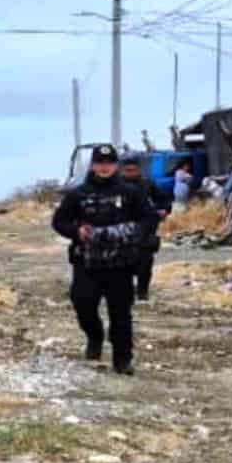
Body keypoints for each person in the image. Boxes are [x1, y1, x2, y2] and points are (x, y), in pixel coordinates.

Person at [52, 145, 157, 375]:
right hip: (87, 262)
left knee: (120, 313)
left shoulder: (131, 193)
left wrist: (133, 234)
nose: (104, 167)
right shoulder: (78, 194)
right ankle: (95, 336)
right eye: (100, 163)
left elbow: (149, 219)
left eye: (109, 163)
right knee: (83, 303)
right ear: (93, 165)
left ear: (115, 165)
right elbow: (59, 221)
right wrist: (76, 231)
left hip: (121, 263)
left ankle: (122, 359)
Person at [118, 158, 173, 302]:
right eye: (128, 170)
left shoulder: (147, 184)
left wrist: (164, 210)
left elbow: (163, 199)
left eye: (133, 170)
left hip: (146, 228)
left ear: (139, 170)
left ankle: (142, 291)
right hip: (121, 230)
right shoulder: (116, 185)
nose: (131, 173)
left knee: (145, 261)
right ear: (122, 171)